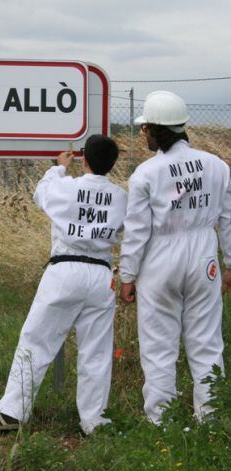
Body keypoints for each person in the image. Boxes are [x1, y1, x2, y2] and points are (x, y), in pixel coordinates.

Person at [0, 135, 127, 434]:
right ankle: (94, 420)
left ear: (84, 160)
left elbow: (41, 193)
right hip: (102, 274)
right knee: (97, 351)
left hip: (65, 268)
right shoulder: (120, 196)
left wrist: (58, 167)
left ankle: (13, 411)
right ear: (112, 164)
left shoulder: (66, 187)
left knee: (37, 339)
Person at [119, 90, 231, 424]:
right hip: (203, 256)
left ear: (154, 129)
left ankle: (161, 421)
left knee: (158, 345)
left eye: (145, 129)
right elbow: (228, 218)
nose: (143, 134)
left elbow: (136, 231)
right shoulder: (216, 165)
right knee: (207, 342)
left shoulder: (146, 174)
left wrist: (127, 276)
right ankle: (211, 419)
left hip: (160, 259)